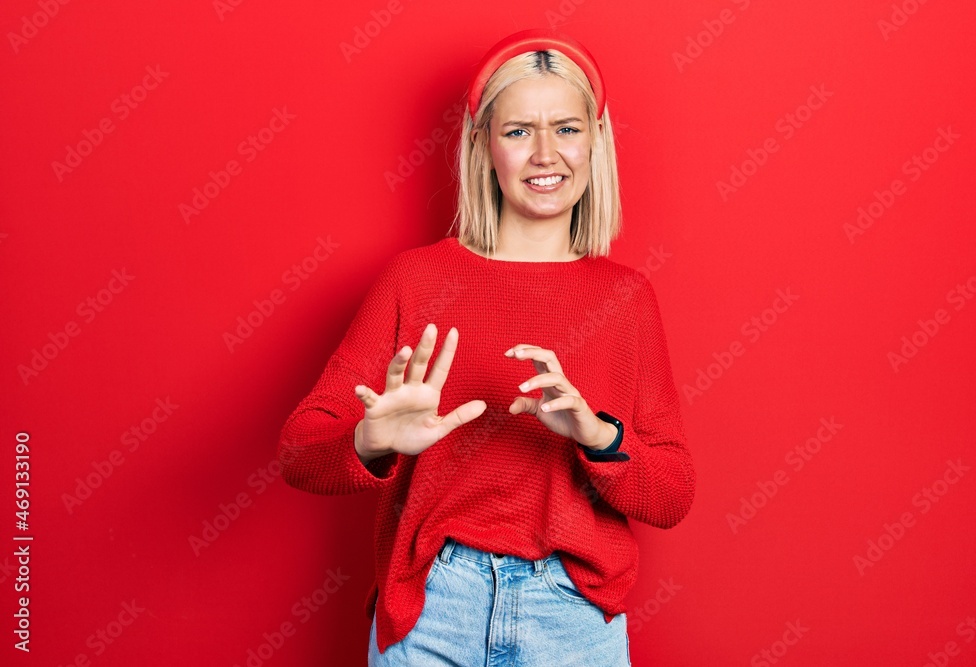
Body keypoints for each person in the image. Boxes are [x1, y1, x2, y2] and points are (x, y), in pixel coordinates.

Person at [277, 28, 696, 666]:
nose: (545, 154)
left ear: (595, 141)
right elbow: (301, 453)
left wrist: (596, 434)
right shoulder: (413, 282)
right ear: (484, 147)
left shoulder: (626, 299)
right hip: (434, 608)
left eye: (567, 128)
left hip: (573, 617)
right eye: (519, 130)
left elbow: (671, 495)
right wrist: (374, 438)